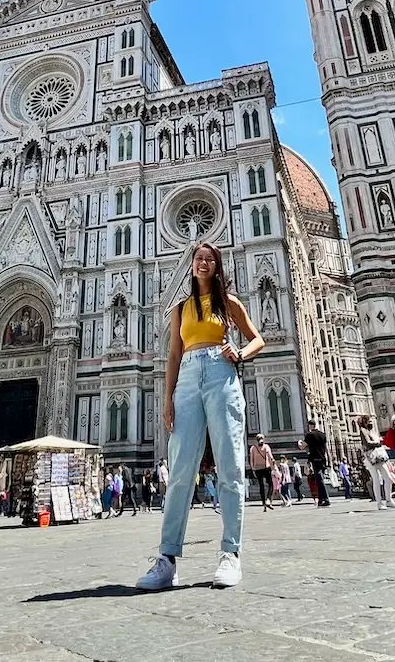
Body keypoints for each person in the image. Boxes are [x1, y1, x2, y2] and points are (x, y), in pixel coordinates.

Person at [136, 241, 264, 591]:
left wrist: (238, 353)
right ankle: (167, 560)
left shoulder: (229, 304)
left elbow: (257, 339)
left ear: (217, 266)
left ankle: (231, 554)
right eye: (198, 259)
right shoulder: (181, 308)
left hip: (222, 374)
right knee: (179, 471)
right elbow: (174, 356)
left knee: (230, 466)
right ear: (192, 266)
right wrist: (168, 400)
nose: (203, 263)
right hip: (189, 378)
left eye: (209, 259)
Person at [358, 415, 395, 509]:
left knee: (388, 478)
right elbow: (367, 443)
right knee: (376, 479)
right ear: (365, 422)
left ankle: (388, 500)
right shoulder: (363, 430)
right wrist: (378, 442)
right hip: (372, 457)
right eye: (369, 421)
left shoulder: (372, 431)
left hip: (380, 456)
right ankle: (379, 502)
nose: (371, 423)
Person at [298, 421, 330, 507]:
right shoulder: (322, 435)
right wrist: (329, 459)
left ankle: (325, 499)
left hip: (315, 459)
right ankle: (320, 499)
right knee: (319, 479)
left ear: (310, 426)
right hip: (323, 459)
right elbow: (326, 449)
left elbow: (302, 446)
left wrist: (299, 443)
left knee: (319, 479)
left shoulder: (310, 435)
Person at [250, 434, 275, 510]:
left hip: (257, 469)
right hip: (266, 468)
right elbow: (270, 457)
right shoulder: (266, 447)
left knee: (261, 486)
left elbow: (251, 459)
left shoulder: (253, 448)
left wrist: (253, 469)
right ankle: (268, 500)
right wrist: (273, 465)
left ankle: (264, 504)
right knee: (271, 484)